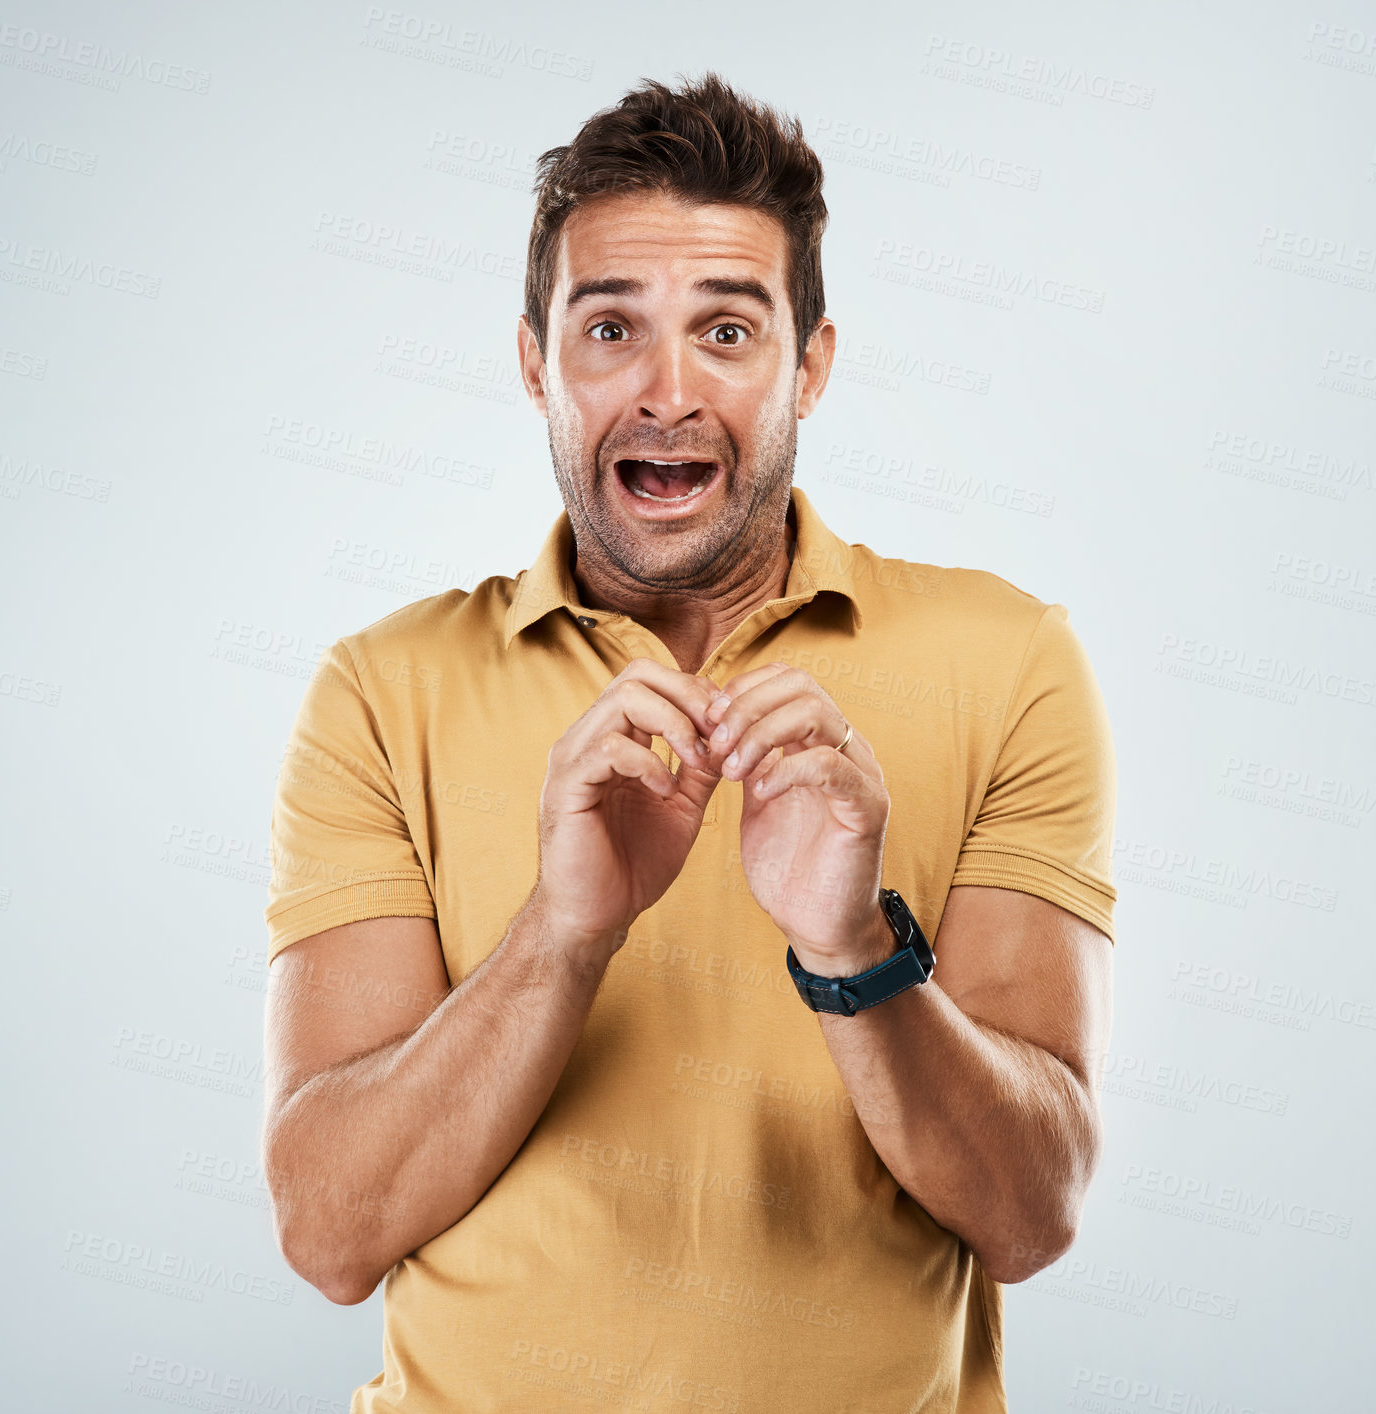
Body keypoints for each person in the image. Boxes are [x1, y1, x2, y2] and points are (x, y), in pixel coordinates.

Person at [261, 71, 1117, 1414]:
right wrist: (559, 932)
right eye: (611, 328)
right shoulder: (380, 689)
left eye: (726, 329)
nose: (667, 390)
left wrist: (853, 952)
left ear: (810, 365)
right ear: (537, 359)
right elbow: (327, 1232)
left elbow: (1031, 1210)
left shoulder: (1006, 661)